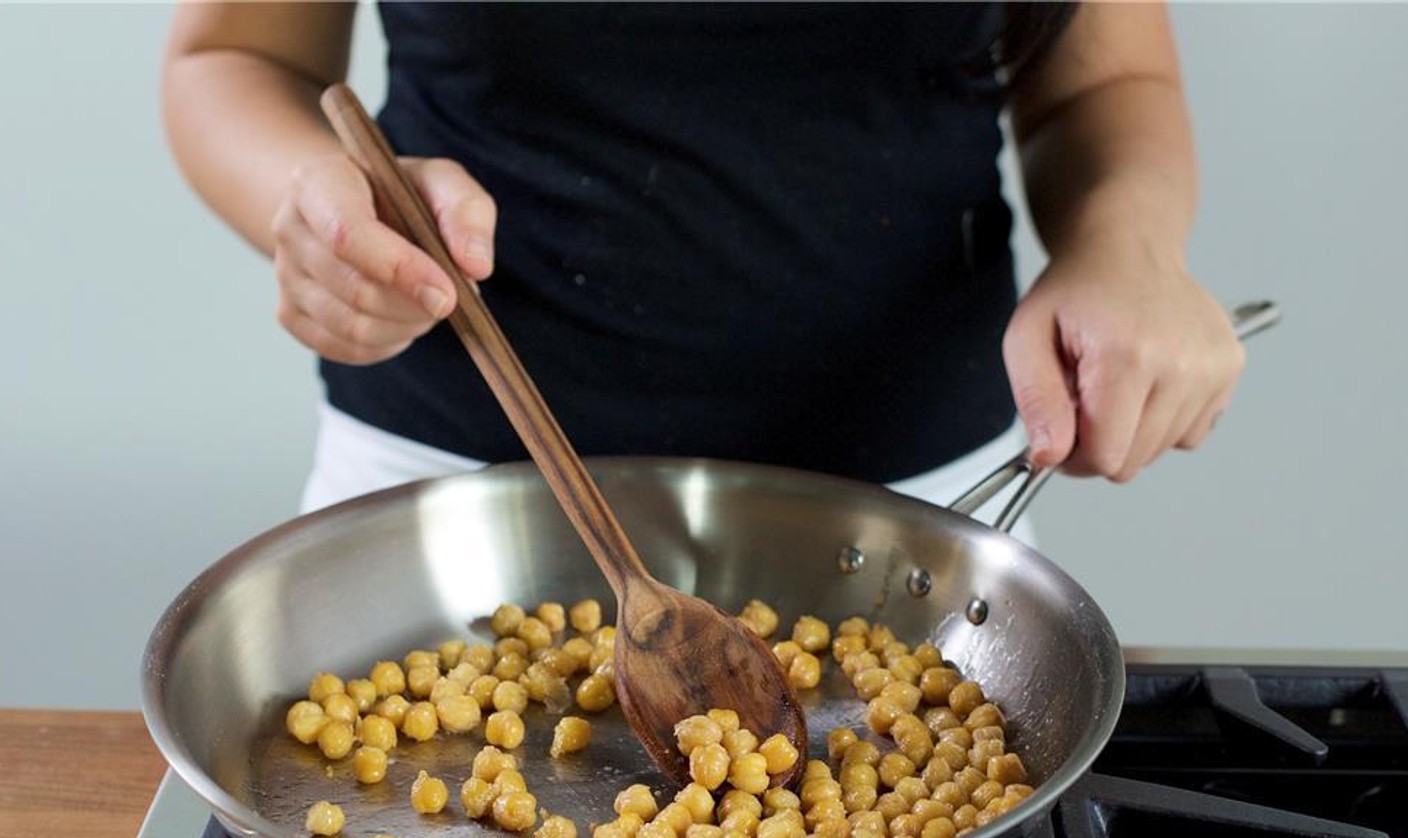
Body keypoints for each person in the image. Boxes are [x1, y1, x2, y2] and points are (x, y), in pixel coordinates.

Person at [161, 2, 1243, 524]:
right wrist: (314, 208)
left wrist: (1124, 248)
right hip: (446, 504)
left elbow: (1102, 83)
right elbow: (233, 57)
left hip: (922, 515)